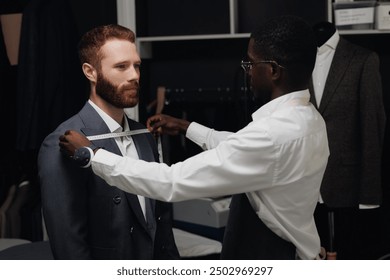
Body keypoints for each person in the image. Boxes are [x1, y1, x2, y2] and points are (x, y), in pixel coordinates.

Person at [59, 15, 330, 260]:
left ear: (273, 70)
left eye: (250, 62)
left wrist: (93, 156)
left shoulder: (273, 135)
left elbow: (172, 182)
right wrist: (186, 127)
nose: (247, 70)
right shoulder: (310, 120)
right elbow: (246, 150)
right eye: (121, 66)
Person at [38, 24, 179, 260]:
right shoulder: (61, 143)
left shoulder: (143, 135)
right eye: (121, 67)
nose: (134, 75)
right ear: (90, 72)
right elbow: (69, 247)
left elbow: (161, 224)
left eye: (136, 66)